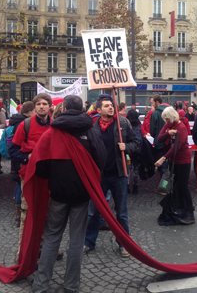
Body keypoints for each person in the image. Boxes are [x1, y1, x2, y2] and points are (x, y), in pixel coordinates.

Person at [32, 95, 107, 293]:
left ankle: (41, 285)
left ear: (63, 107)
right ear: (82, 108)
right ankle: (71, 285)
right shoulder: (90, 130)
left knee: (51, 237)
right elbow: (101, 158)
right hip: (82, 193)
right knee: (76, 240)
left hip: (57, 193)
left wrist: (51, 176)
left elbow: (39, 163)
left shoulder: (52, 131)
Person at [83, 96, 138, 258]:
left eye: (111, 105)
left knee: (121, 212)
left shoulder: (123, 123)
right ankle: (89, 242)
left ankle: (123, 244)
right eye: (107, 106)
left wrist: (126, 146)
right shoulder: (92, 126)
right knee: (93, 212)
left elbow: (136, 142)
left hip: (119, 175)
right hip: (99, 176)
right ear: (98, 110)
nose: (111, 108)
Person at [8, 93, 54, 256]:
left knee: (47, 214)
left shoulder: (55, 126)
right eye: (39, 104)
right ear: (35, 107)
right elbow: (12, 150)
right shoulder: (25, 125)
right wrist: (28, 157)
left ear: (50, 107)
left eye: (44, 104)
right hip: (29, 176)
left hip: (50, 177)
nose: (41, 106)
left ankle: (43, 249)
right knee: (27, 215)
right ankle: (25, 252)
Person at [155, 106, 195, 225]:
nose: (166, 121)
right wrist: (168, 133)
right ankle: (179, 208)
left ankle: (190, 212)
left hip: (183, 160)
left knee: (183, 185)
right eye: (165, 120)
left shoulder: (181, 127)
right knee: (175, 185)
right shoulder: (168, 126)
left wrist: (163, 158)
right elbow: (159, 138)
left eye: (167, 119)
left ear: (173, 117)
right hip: (173, 160)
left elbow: (176, 147)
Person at [8, 101, 35, 226]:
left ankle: (18, 214)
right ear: (30, 111)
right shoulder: (25, 123)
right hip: (22, 158)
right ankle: (20, 214)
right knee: (20, 184)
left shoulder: (16, 120)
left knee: (18, 184)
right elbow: (14, 146)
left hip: (18, 158)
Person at [150, 94, 167, 176]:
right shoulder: (168, 111)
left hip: (159, 142)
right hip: (169, 141)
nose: (152, 104)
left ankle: (163, 187)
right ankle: (167, 185)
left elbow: (152, 130)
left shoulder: (155, 113)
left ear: (157, 102)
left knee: (162, 166)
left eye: (152, 102)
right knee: (167, 164)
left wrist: (156, 137)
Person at [126, 109, 143, 195]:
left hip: (128, 152)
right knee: (136, 170)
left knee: (128, 170)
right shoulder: (139, 125)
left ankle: (127, 187)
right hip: (137, 151)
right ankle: (135, 187)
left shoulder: (126, 125)